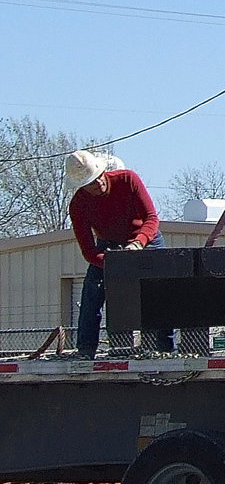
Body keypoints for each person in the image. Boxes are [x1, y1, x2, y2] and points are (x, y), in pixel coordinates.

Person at [65, 149, 168, 359]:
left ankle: (166, 349)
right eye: (90, 183)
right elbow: (88, 251)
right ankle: (85, 351)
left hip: (146, 240)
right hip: (109, 247)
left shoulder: (127, 179)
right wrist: (111, 263)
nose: (98, 184)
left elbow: (151, 219)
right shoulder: (78, 205)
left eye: (98, 177)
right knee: (92, 293)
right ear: (81, 187)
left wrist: (138, 244)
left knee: (161, 292)